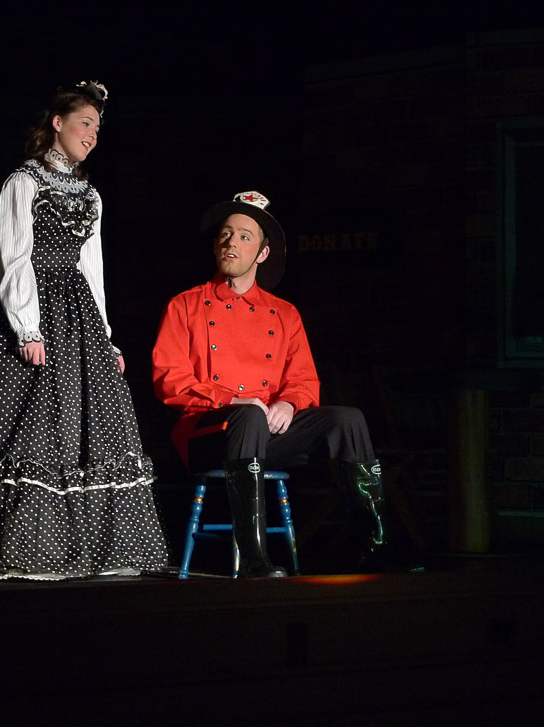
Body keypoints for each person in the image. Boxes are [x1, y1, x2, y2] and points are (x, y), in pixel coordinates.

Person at [0, 81, 168, 582]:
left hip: (78, 318)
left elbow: (92, 269)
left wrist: (105, 337)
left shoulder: (91, 195)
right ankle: (7, 551)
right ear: (57, 123)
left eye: (97, 127)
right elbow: (15, 258)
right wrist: (27, 327)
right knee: (21, 428)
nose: (92, 134)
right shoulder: (23, 182)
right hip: (33, 311)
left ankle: (92, 550)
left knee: (85, 430)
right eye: (85, 123)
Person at [152, 191, 389, 577]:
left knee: (348, 419)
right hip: (207, 434)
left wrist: (289, 404)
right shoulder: (185, 305)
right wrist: (235, 400)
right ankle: (254, 559)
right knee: (248, 418)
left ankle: (376, 547)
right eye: (226, 234)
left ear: (262, 253)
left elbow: (304, 380)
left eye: (244, 236)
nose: (231, 243)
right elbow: (170, 380)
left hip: (267, 434)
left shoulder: (284, 313)